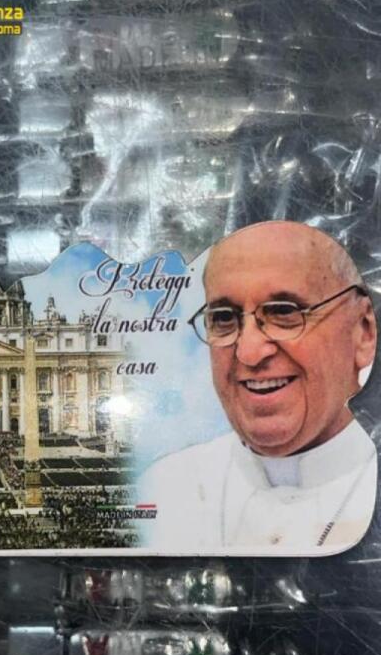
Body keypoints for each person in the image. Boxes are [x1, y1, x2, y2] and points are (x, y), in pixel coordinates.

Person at [140, 221, 378, 554]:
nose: (248, 352)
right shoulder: (165, 488)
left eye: (284, 312)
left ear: (363, 331)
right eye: (224, 318)